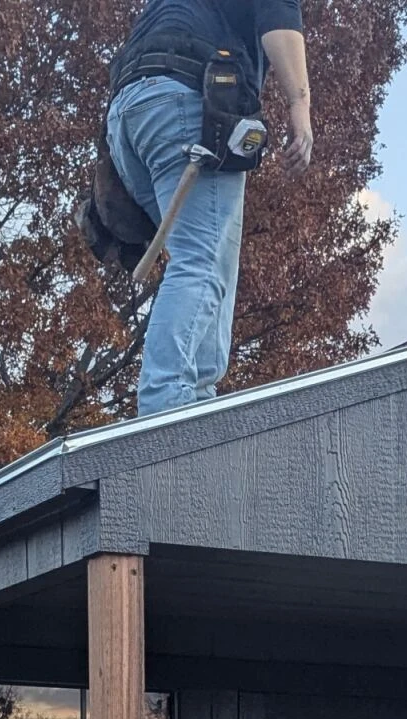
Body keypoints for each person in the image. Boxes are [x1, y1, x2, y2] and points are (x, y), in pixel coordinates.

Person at [106, 0, 312, 416]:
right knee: (200, 260)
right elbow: (279, 25)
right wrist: (299, 107)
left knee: (210, 260)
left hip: (127, 115)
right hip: (184, 100)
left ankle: (198, 406)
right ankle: (167, 409)